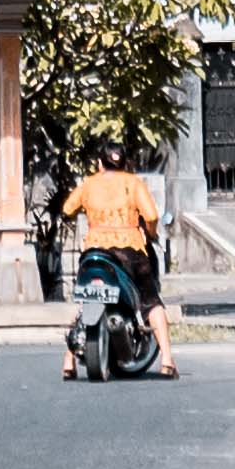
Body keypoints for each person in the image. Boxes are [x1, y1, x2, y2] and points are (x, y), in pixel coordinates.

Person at [56, 152, 165, 374]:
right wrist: (151, 234)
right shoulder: (133, 183)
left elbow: (67, 209)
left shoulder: (88, 183)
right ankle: (168, 361)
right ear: (125, 163)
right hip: (129, 250)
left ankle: (69, 361)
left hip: (95, 251)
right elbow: (152, 216)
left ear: (99, 163)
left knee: (87, 300)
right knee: (151, 301)